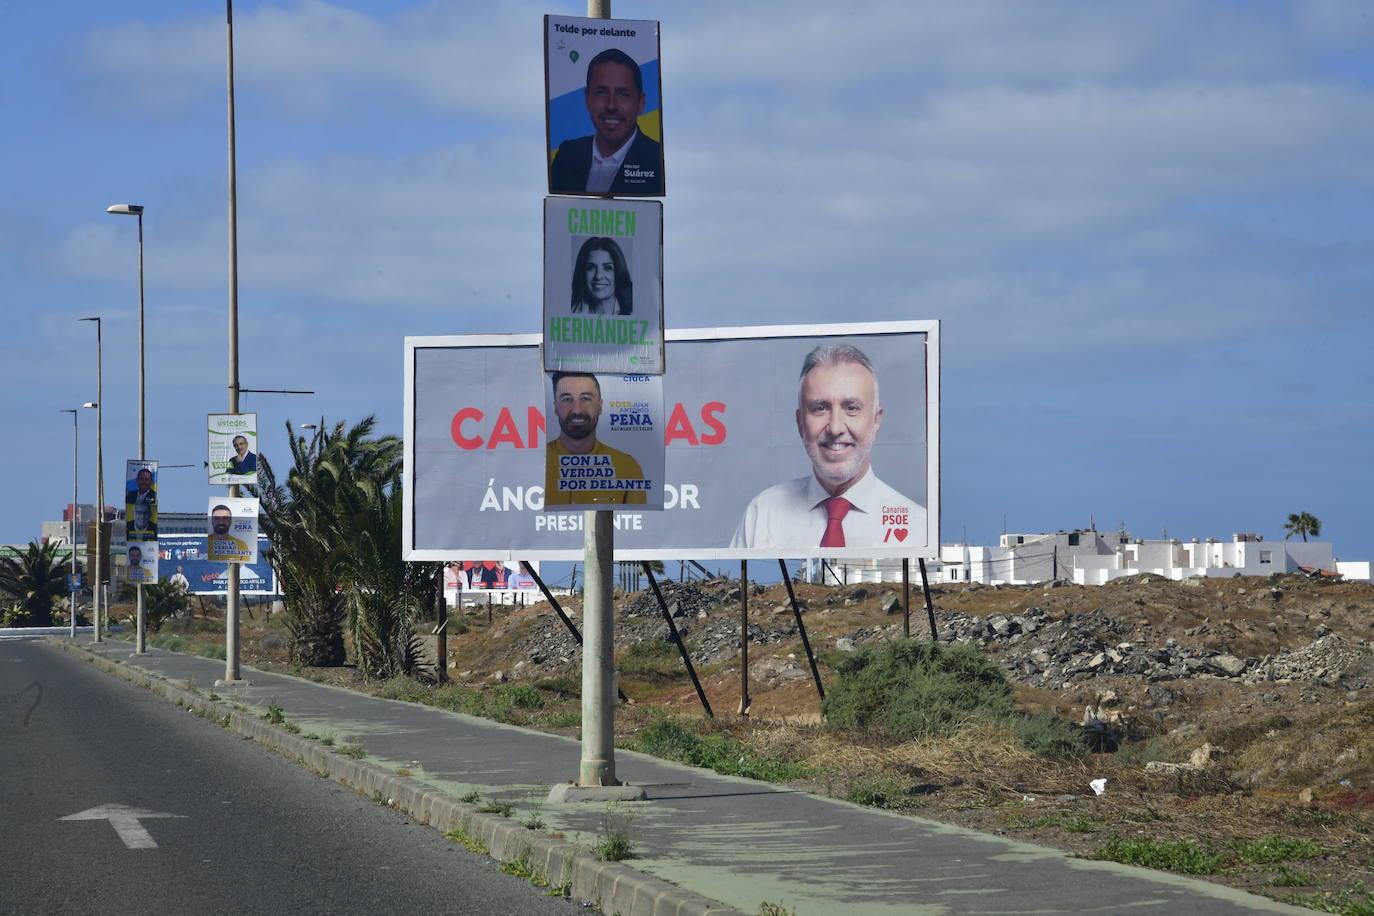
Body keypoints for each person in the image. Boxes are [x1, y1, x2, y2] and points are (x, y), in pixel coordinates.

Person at [731, 344, 925, 549]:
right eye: (820, 408)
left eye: (851, 408)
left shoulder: (918, 527)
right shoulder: (763, 515)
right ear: (800, 423)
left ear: (876, 420)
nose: (835, 428)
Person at [549, 48, 664, 196]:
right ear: (587, 98)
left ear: (640, 103)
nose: (611, 105)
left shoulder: (654, 161)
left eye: (623, 94)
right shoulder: (568, 155)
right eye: (601, 92)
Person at [544, 372, 647, 506]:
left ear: (600, 406)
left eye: (585, 398)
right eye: (567, 399)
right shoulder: (538, 463)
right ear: (555, 407)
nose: (576, 410)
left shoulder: (627, 467)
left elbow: (637, 523)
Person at [571, 237, 633, 315]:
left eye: (607, 268)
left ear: (619, 272)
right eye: (590, 267)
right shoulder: (572, 311)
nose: (598, 276)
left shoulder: (634, 312)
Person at [126, 467, 157, 537]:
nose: (144, 482)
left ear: (151, 482)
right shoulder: (130, 495)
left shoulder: (154, 496)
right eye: (141, 479)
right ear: (137, 480)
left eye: (146, 479)